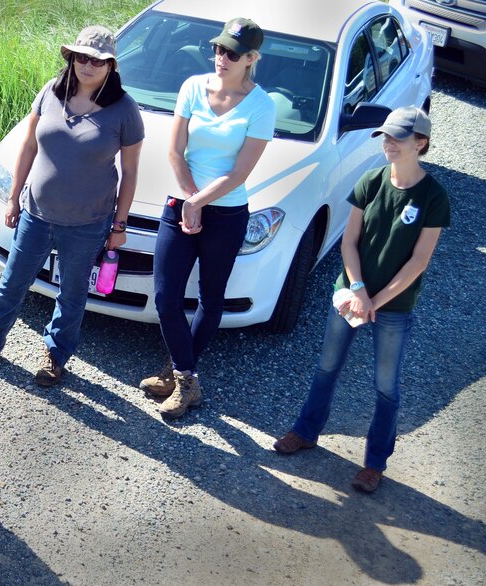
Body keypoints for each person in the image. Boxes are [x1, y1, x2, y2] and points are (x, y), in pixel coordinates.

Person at [273, 106, 448, 494]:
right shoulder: (371, 181)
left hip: (394, 307)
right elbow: (349, 242)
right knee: (326, 369)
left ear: (420, 143)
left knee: (387, 387)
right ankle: (305, 432)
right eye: (385, 136)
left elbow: (419, 261)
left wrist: (377, 301)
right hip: (352, 296)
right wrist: (358, 291)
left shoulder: (434, 197)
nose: (388, 143)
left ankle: (374, 464)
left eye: (397, 138)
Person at [0, 25, 144, 386]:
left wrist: (119, 226)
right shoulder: (51, 92)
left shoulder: (124, 110)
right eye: (80, 57)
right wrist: (14, 198)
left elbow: (130, 172)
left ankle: (55, 357)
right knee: (12, 284)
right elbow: (28, 146)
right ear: (71, 58)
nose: (87, 65)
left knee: (72, 294)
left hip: (88, 222)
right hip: (37, 214)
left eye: (97, 60)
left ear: (111, 66)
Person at [140, 17, 275, 418]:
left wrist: (201, 203)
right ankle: (187, 378)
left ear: (252, 58)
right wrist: (190, 200)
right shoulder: (192, 87)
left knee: (210, 299)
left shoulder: (261, 105)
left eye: (232, 53)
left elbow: (239, 173)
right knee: (165, 296)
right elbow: (175, 151)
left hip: (228, 211)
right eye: (218, 49)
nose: (222, 57)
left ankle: (178, 376)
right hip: (180, 203)